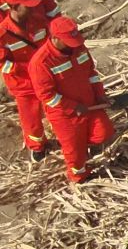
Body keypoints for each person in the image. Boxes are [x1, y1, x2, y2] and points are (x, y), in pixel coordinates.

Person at [28, 15, 112, 183]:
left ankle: (82, 145)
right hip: (64, 114)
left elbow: (91, 73)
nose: (73, 45)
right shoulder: (41, 63)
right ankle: (79, 176)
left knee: (104, 132)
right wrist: (73, 107)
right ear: (54, 38)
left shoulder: (79, 48)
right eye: (68, 42)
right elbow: (47, 95)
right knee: (74, 150)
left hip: (89, 103)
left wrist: (99, 94)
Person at [1, 0, 50, 161]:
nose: (32, 8)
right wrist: (29, 68)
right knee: (31, 119)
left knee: (56, 109)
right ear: (13, 7)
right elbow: (3, 64)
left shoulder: (39, 21)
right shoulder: (3, 34)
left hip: (46, 78)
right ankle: (37, 146)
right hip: (23, 84)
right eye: (27, 5)